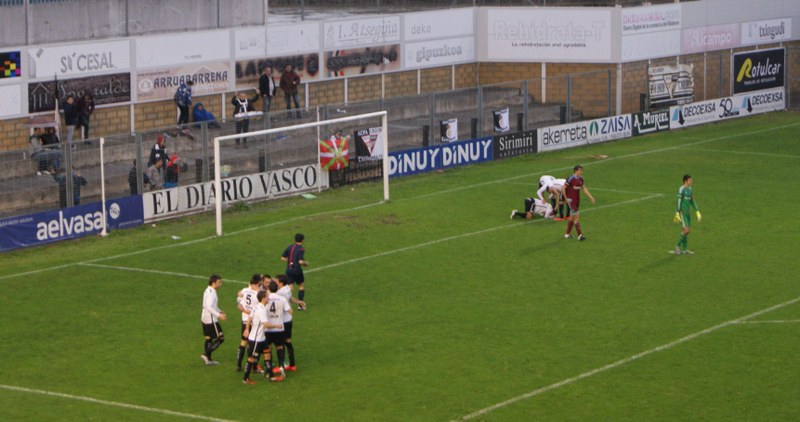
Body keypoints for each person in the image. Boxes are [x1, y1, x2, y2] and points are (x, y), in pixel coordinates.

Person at [241, 290, 283, 385]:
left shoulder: (256, 307)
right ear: (263, 298)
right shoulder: (261, 310)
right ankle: (245, 378)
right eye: (267, 296)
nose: (268, 298)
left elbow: (249, 318)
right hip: (256, 340)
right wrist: (277, 326)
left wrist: (247, 329)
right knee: (251, 359)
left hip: (261, 338)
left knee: (267, 354)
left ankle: (271, 376)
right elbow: (266, 324)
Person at [275, 274, 304, 371]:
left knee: (280, 343)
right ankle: (292, 364)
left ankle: (282, 365)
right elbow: (291, 299)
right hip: (289, 320)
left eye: (277, 281)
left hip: (283, 321)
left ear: (281, 283)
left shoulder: (279, 293)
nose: (275, 282)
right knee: (288, 342)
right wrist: (299, 301)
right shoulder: (287, 288)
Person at [264, 280, 291, 381]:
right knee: (280, 347)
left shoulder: (266, 298)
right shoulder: (282, 299)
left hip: (268, 328)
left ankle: (269, 369)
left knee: (268, 349)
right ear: (277, 288)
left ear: (268, 289)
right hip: (279, 328)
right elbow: (290, 311)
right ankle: (281, 366)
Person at [561, 165, 595, 241]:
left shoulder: (581, 179)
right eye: (580, 171)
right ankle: (580, 235)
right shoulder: (571, 178)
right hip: (571, 200)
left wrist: (590, 197)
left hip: (577, 200)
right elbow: (563, 188)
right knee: (576, 216)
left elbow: (584, 188)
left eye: (581, 171)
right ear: (575, 171)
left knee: (572, 217)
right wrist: (566, 198)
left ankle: (567, 234)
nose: (581, 172)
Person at [200, 274, 227, 366]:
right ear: (213, 282)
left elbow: (212, 306)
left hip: (204, 317)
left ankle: (208, 360)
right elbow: (209, 307)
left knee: (209, 338)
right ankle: (206, 355)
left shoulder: (207, 290)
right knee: (221, 337)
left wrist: (219, 310)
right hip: (211, 319)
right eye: (219, 283)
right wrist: (219, 315)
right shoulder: (212, 293)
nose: (220, 284)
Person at [674, 174, 701, 255]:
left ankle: (685, 250)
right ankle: (677, 246)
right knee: (686, 230)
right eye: (690, 180)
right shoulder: (681, 189)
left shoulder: (690, 189)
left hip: (688, 213)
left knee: (686, 231)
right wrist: (677, 212)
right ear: (685, 181)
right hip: (682, 213)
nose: (691, 181)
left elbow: (692, 201)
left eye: (691, 180)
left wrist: (697, 211)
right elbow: (678, 201)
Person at [281, 233, 309, 310]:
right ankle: (300, 305)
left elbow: (282, 258)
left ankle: (286, 304)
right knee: (301, 286)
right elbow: (300, 262)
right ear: (302, 240)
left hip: (288, 270)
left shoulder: (289, 247)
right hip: (296, 270)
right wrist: (305, 263)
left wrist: (291, 260)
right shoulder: (301, 249)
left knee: (289, 288)